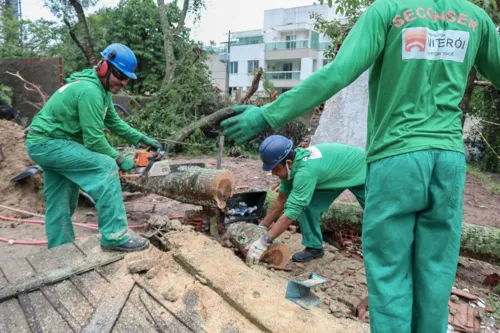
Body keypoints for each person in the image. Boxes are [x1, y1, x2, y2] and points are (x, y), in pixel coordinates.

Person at [221, 1, 500, 332]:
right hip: (449, 162)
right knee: (436, 272)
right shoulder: (475, 18)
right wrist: (264, 226)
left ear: (285, 161)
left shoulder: (388, 11)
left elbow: (338, 73)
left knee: (390, 274)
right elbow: (285, 197)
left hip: (395, 158)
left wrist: (268, 115)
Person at [25, 43, 160, 252]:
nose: (123, 82)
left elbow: (114, 122)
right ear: (104, 67)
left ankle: (60, 251)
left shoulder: (100, 90)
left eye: (126, 78)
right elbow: (94, 140)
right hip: (49, 143)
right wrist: (117, 158)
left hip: (48, 144)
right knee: (105, 167)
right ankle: (114, 236)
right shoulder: (90, 91)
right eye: (120, 75)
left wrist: (142, 138)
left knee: (61, 200)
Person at [247, 135, 366, 264]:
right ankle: (314, 247)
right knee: (309, 205)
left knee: (376, 213)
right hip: (334, 174)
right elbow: (282, 198)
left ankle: (385, 256)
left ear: (288, 163)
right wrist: (263, 226)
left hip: (362, 169)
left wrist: (264, 242)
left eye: (275, 169)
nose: (274, 174)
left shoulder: (305, 172)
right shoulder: (291, 169)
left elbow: (291, 212)